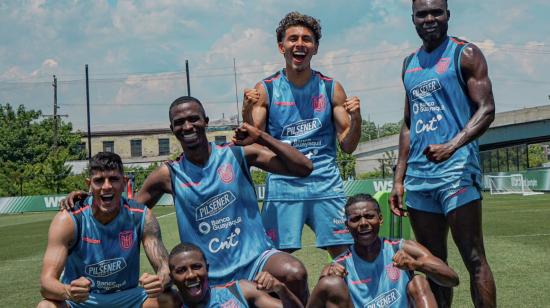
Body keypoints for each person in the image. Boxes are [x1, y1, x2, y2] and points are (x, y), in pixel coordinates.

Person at [62, 96, 312, 304]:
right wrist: (89, 200)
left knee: (294, 272)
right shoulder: (168, 174)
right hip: (205, 273)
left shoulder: (237, 155)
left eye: (194, 119)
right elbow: (128, 213)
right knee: (165, 298)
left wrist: (260, 136)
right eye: (179, 122)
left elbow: (304, 167)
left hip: (256, 259)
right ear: (173, 130)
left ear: (206, 121)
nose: (188, 126)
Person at [389, 0, 496, 307]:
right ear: (413, 19)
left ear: (448, 15)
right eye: (423, 14)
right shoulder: (409, 63)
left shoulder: (465, 54)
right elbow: (409, 124)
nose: (430, 18)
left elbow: (487, 109)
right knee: (432, 263)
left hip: (457, 170)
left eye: (437, 12)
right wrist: (399, 178)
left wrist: (453, 144)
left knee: (474, 257)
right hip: (420, 179)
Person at [242, 11, 362, 258]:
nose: (299, 44)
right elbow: (253, 140)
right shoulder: (266, 89)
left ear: (315, 48)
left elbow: (348, 146)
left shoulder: (331, 88)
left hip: (325, 185)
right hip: (284, 186)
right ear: (281, 46)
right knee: (276, 262)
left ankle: (343, 297)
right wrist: (245, 110)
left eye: (307, 39)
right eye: (292, 38)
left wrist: (357, 119)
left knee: (346, 257)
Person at [39, 152, 171, 308]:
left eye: (114, 179)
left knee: (169, 299)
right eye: (99, 180)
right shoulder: (68, 219)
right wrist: (68, 291)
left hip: (127, 297)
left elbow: (165, 268)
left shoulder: (142, 216)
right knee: (46, 306)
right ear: (89, 184)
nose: (106, 186)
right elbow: (46, 283)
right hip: (83, 300)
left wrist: (159, 282)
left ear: (124, 182)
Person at [307, 194, 459, 308]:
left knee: (418, 282)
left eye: (369, 216)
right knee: (330, 283)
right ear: (347, 226)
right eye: (355, 219)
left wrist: (417, 264)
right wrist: (328, 281)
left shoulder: (400, 248)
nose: (363, 223)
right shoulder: (339, 266)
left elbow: (452, 279)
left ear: (380, 219)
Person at [168, 242, 303, 307]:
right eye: (181, 270)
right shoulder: (168, 305)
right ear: (172, 277)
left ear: (207, 269)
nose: (191, 275)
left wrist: (280, 289)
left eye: (196, 267)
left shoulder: (239, 290)